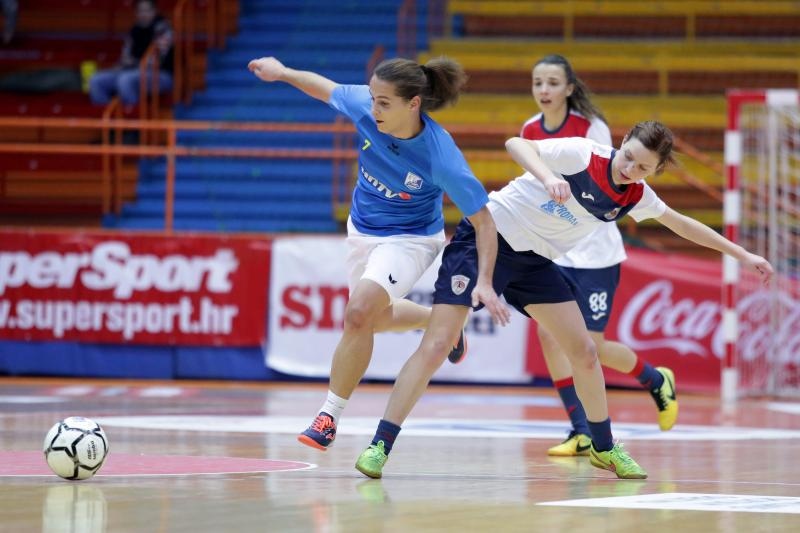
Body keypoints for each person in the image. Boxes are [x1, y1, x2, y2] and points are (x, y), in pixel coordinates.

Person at [354, 120, 774, 480]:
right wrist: (547, 175)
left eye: (643, 167)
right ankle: (380, 444)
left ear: (657, 171)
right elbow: (517, 145)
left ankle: (603, 446)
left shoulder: (636, 195)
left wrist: (743, 255)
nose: (629, 169)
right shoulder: (581, 154)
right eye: (628, 156)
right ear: (622, 141)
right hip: (488, 238)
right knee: (437, 346)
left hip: (535, 262)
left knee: (585, 352)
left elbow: (682, 224)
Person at [247, 55, 511, 452]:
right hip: (362, 231)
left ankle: (328, 417)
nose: (373, 109)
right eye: (372, 99)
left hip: (410, 239)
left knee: (357, 313)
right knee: (374, 319)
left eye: (384, 103)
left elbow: (485, 221)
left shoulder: (441, 157)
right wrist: (282, 72)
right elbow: (324, 87)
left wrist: (486, 281)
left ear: (413, 103)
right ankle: (438, 324)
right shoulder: (369, 109)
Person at [521, 55, 678, 458]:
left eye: (553, 83)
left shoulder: (591, 129)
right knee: (549, 334)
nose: (544, 91)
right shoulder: (529, 130)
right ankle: (581, 430)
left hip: (595, 250)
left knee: (588, 345)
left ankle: (654, 379)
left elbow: (612, 183)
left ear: (569, 88)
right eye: (538, 82)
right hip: (557, 247)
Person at [88, 0, 173, 110]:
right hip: (132, 71)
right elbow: (125, 57)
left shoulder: (164, 29)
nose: (143, 14)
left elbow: (156, 61)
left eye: (147, 10)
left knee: (125, 80)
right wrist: (123, 64)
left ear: (155, 11)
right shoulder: (134, 30)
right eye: (140, 11)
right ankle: (108, 121)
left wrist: (133, 63)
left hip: (161, 74)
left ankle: (133, 120)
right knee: (96, 80)